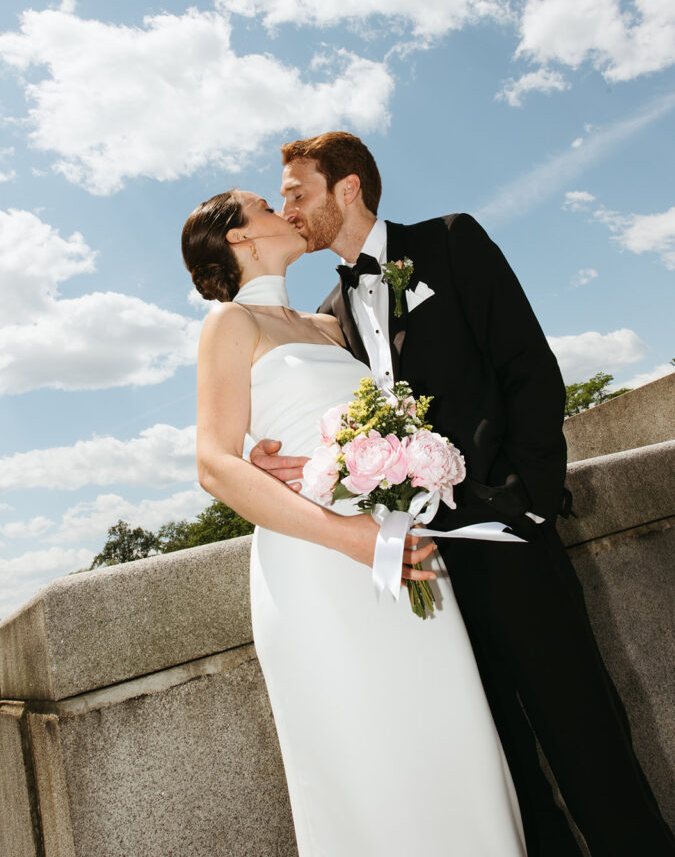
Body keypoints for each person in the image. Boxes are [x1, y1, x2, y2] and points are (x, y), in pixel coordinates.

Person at [250, 131, 675, 857]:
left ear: (346, 188)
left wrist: (529, 502)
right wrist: (276, 461)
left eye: (296, 192)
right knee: (502, 767)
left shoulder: (450, 242)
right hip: (421, 569)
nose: (286, 207)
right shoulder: (328, 315)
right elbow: (344, 428)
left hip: (508, 534)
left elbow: (525, 366)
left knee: (585, 735)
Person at [182, 189, 528, 857]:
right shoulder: (230, 323)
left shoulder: (326, 327)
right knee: (366, 742)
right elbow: (215, 464)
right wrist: (354, 537)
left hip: (404, 541)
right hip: (320, 558)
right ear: (238, 241)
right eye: (262, 205)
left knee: (449, 725)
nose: (283, 210)